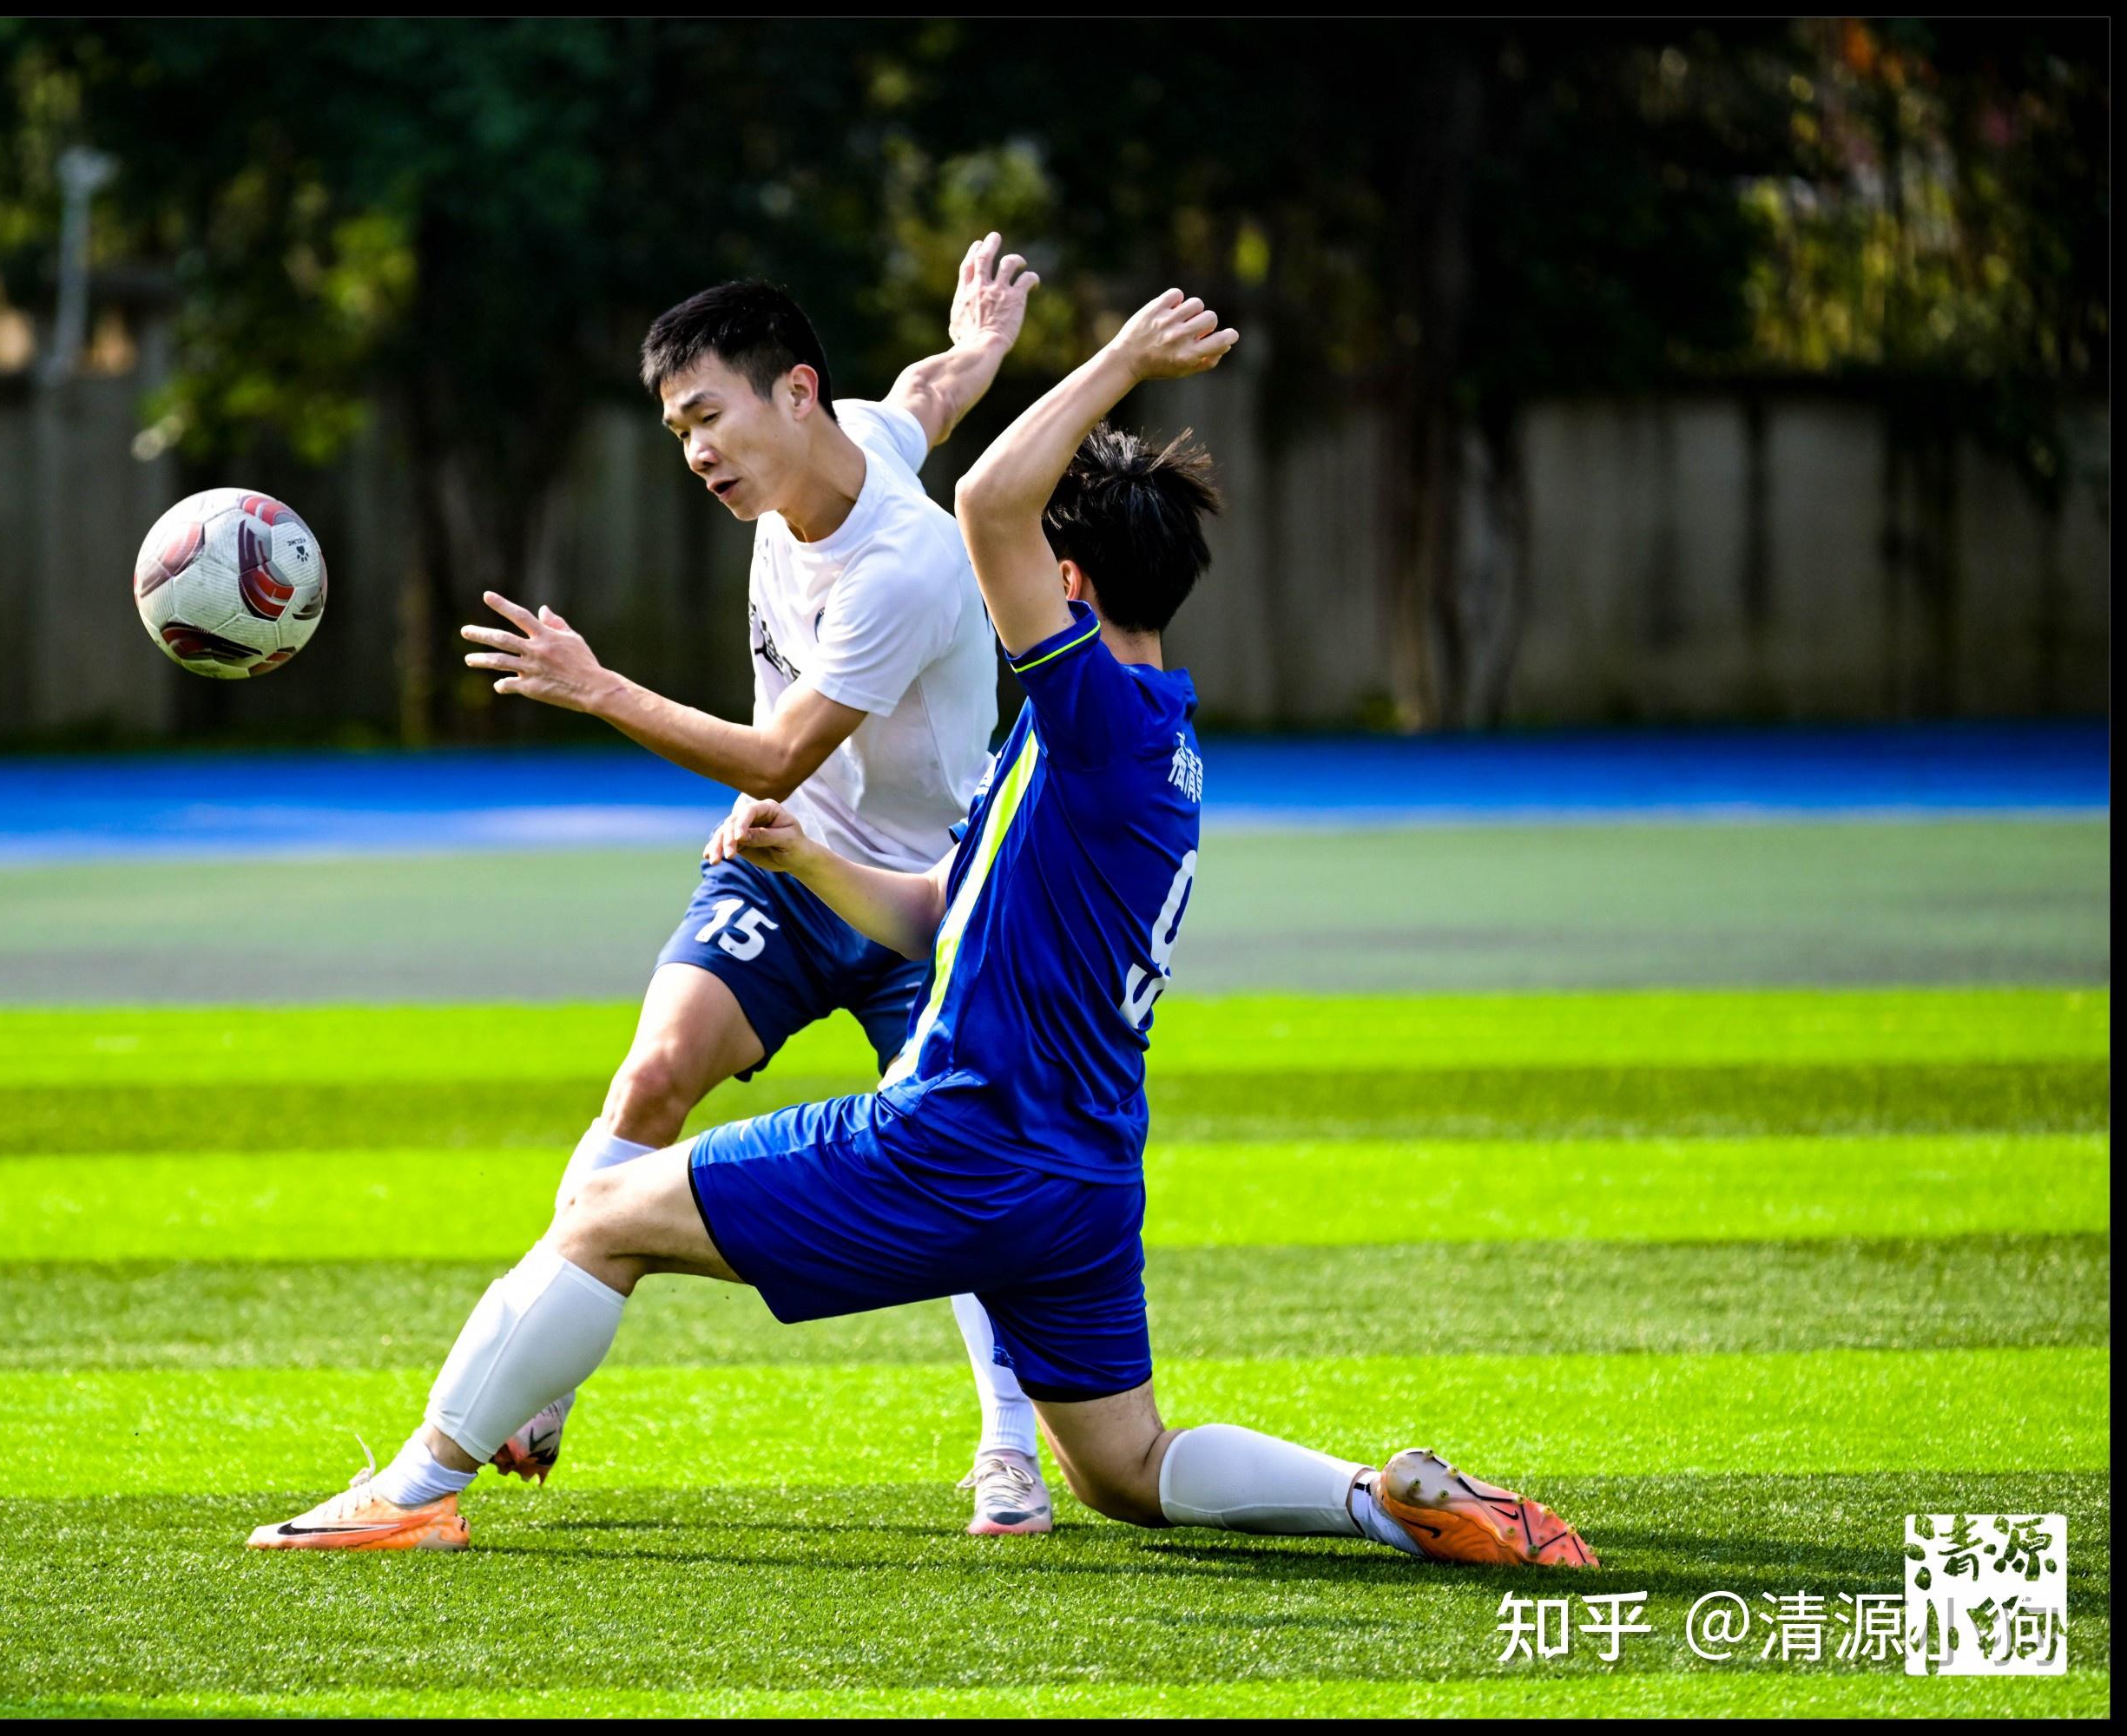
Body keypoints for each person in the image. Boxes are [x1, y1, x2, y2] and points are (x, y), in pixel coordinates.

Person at [253, 286, 1598, 1573]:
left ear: (1063, 579)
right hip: (1083, 1181)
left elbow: (985, 495)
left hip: (961, 1142)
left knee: (599, 1215)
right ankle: (1380, 1498)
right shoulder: (1158, 747)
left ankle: (411, 1489)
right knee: (1126, 1469)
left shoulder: (1088, 718)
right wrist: (814, 860)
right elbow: (948, 910)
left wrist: (1121, 357)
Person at [452, 237, 1064, 1534]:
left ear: (792, 392)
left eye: (706, 417)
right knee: (651, 1075)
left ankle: (1009, 1451)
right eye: (676, 431)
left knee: (966, 1164)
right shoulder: (851, 437)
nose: (696, 454)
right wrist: (987, 346)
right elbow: (928, 395)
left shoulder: (903, 557)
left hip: (927, 894)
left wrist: (597, 687)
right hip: (780, 872)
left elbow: (785, 752)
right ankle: (536, 1370)